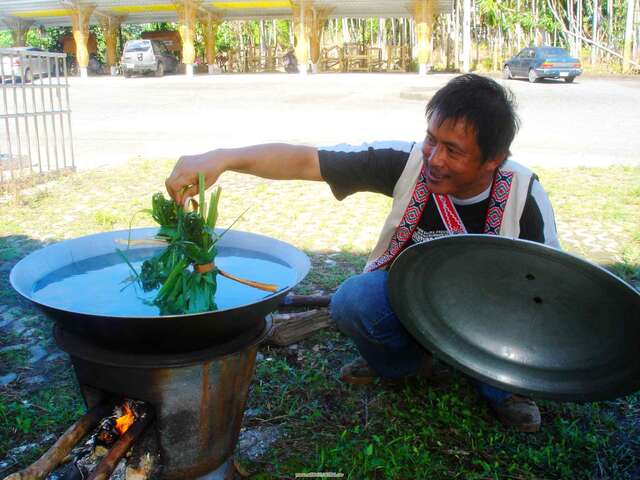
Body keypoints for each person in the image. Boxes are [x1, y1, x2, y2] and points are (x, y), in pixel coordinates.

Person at [165, 74, 559, 433]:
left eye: (453, 151)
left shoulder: (524, 196)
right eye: (431, 139)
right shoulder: (405, 162)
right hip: (417, 305)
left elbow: (545, 296)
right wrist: (222, 158)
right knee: (353, 300)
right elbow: (306, 160)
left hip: (490, 320)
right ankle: (408, 367)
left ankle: (504, 388)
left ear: (493, 159)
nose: (434, 158)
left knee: (519, 331)